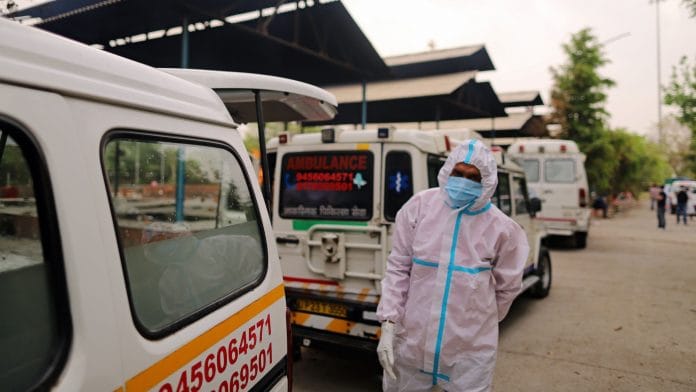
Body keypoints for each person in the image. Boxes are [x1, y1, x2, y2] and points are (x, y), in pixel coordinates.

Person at [376, 140, 529, 392]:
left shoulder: (502, 229)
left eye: (473, 177)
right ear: (448, 170)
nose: (464, 181)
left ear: (487, 182)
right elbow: (398, 269)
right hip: (412, 341)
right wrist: (389, 324)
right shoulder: (419, 208)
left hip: (469, 351)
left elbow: (507, 289)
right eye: (459, 173)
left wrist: (475, 322)